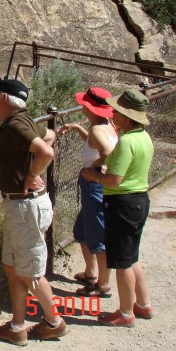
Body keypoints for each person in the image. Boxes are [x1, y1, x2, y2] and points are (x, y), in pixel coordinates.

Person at [0, 78, 68, 346]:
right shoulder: (22, 121)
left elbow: (46, 150)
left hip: (26, 206)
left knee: (30, 273)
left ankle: (54, 323)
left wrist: (32, 173)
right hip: (19, 206)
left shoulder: (17, 124)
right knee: (12, 267)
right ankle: (17, 327)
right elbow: (50, 135)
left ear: (5, 98)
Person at [80, 88, 155, 326]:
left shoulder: (127, 142)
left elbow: (114, 180)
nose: (112, 114)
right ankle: (143, 305)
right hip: (139, 199)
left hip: (122, 202)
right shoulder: (144, 137)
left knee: (122, 263)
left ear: (125, 115)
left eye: (117, 111)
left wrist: (94, 177)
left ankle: (125, 313)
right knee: (132, 257)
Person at [57, 87, 117, 297]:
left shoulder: (97, 129)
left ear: (90, 107)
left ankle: (103, 284)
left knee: (97, 233)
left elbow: (107, 153)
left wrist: (93, 168)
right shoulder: (106, 125)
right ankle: (91, 273)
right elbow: (95, 144)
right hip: (96, 186)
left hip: (94, 186)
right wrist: (77, 128)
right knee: (82, 230)